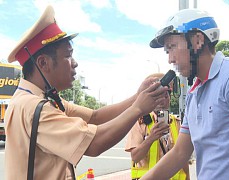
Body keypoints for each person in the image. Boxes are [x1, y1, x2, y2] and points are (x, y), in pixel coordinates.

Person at [4, 5, 169, 180]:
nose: (74, 63)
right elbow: (94, 144)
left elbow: (95, 117)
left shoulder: (39, 99)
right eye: (68, 56)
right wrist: (138, 108)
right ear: (43, 63)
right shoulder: (34, 107)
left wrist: (138, 96)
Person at [141, 8, 229, 180]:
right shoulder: (194, 93)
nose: (170, 59)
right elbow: (179, 153)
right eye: (167, 51)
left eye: (172, 47)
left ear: (197, 41)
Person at [125, 73, 190, 180]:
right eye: (158, 96)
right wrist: (151, 138)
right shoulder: (140, 122)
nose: (162, 100)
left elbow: (183, 157)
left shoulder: (176, 122)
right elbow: (135, 157)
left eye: (166, 95)